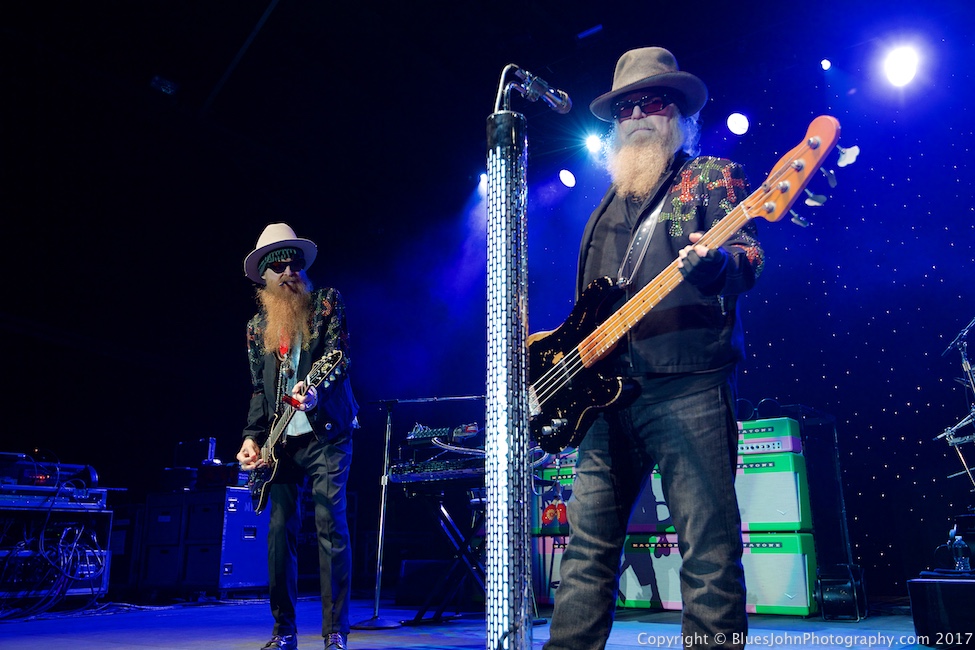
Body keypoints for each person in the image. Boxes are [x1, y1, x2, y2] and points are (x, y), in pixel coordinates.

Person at [541, 47, 764, 650]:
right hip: (604, 403)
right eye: (626, 107)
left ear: (678, 113)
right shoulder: (601, 211)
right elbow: (587, 312)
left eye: (654, 102)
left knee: (708, 555)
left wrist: (716, 265)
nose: (639, 114)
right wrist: (552, 348)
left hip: (688, 385)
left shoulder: (709, 176)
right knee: (584, 558)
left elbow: (747, 258)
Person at [237, 223, 359, 650]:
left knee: (331, 524)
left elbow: (337, 359)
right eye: (280, 266)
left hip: (326, 431)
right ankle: (283, 629)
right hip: (282, 442)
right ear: (264, 278)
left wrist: (315, 396)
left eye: (295, 263)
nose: (290, 271)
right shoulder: (256, 328)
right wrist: (253, 438)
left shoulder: (326, 303)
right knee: (279, 531)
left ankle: (334, 631)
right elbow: (259, 389)